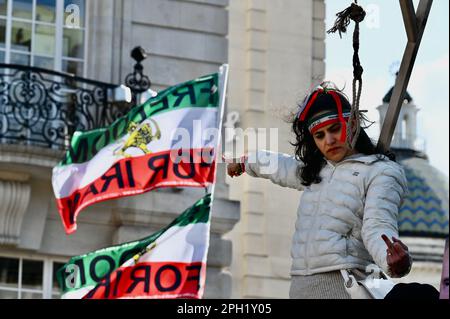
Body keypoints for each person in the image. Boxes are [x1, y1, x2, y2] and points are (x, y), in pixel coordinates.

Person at [226, 82, 412, 299]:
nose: (329, 140)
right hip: (300, 286)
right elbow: (279, 165)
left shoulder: (381, 172)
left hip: (342, 285)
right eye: (319, 135)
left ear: (352, 125)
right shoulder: (316, 172)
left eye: (334, 129)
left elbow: (378, 225)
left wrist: (391, 259)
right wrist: (244, 162)